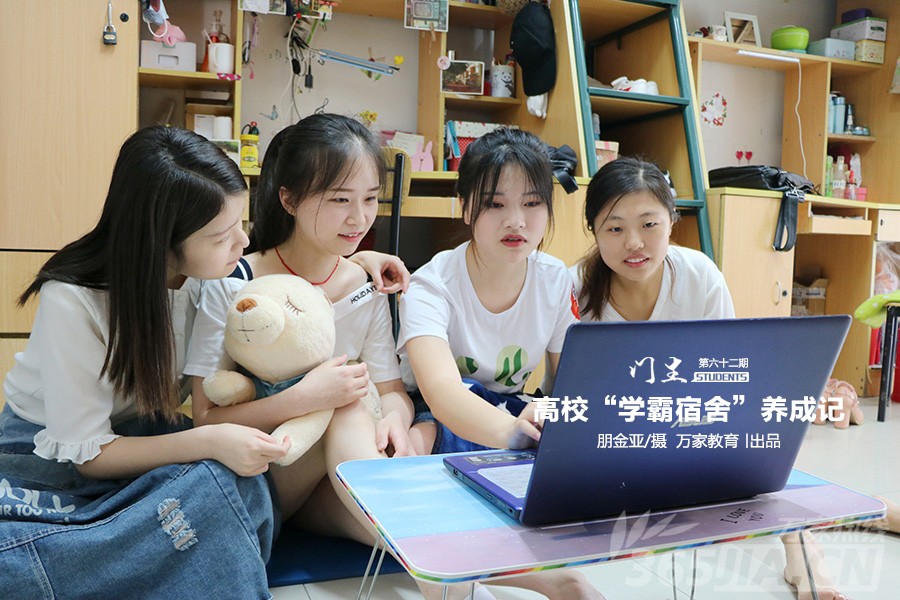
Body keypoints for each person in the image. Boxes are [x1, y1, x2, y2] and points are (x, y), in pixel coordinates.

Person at [191, 114, 481, 599]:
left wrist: (397, 423)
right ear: (289, 199)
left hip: (334, 481)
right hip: (263, 474)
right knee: (345, 401)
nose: (359, 219)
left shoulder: (366, 284)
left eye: (370, 199)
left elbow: (391, 390)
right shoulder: (236, 282)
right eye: (340, 200)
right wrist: (307, 398)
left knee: (403, 533)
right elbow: (204, 419)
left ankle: (540, 581)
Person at [0, 126, 287, 598]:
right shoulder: (73, 298)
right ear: (161, 242)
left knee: (236, 484)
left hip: (144, 437)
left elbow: (286, 269)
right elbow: (90, 455)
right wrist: (210, 440)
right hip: (50, 458)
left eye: (242, 221)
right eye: (221, 236)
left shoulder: (210, 276)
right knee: (211, 494)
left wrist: (363, 263)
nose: (242, 241)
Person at [572, 156, 849, 600]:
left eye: (649, 224)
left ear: (672, 220)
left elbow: (727, 377)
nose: (634, 243)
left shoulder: (698, 274)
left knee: (759, 455)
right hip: (617, 437)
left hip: (695, 424)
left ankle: (803, 546)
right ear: (594, 231)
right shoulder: (576, 291)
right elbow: (571, 395)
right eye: (615, 228)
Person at [398, 127, 604, 600]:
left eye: (532, 203)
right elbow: (442, 393)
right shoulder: (432, 285)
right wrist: (517, 433)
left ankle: (555, 576)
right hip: (437, 418)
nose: (516, 221)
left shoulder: (554, 279)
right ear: (465, 207)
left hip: (510, 415)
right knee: (421, 454)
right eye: (494, 204)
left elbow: (569, 382)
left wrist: (548, 417)